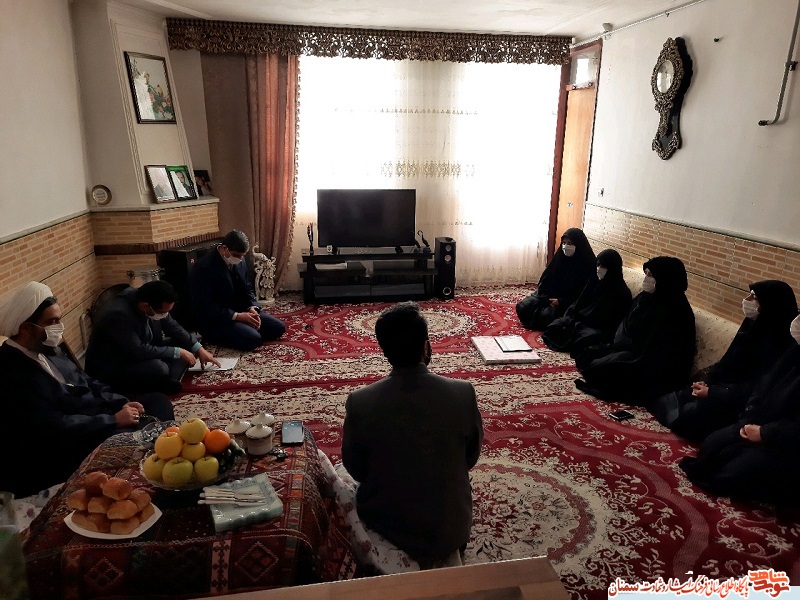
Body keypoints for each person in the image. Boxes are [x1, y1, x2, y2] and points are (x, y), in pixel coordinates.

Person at [341, 302, 484, 567]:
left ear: (385, 352)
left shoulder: (361, 402)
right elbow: (470, 458)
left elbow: (356, 469)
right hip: (450, 531)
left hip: (388, 529)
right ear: (426, 347)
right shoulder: (463, 393)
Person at [0, 282, 174, 497]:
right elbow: (53, 425)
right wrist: (113, 420)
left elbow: (88, 382)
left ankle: (161, 458)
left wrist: (121, 402)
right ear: (25, 328)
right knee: (135, 438)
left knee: (158, 402)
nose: (59, 327)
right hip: (69, 440)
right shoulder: (11, 371)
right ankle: (155, 480)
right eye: (52, 322)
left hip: (95, 414)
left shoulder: (46, 349)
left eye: (59, 319)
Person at [648, 280, 798, 441]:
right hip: (722, 390)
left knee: (689, 417)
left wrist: (713, 393)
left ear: (770, 304)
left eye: (754, 298)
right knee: (668, 400)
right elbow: (728, 363)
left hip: (740, 404)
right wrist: (708, 383)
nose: (746, 300)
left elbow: (758, 389)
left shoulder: (782, 345)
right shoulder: (753, 327)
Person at [679, 315, 800, 505]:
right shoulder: (793, 352)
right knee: (712, 446)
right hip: (757, 421)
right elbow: (761, 389)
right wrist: (750, 419)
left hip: (788, 445)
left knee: (734, 472)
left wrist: (764, 433)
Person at [574, 256, 696, 405]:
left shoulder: (676, 310)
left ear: (665, 279)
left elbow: (660, 351)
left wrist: (626, 351)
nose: (647, 279)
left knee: (602, 371)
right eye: (646, 274)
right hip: (631, 349)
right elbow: (628, 322)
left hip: (652, 363)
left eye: (651, 275)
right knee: (587, 356)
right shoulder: (646, 298)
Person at [85, 280, 219, 394]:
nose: (165, 315)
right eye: (163, 312)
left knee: (186, 347)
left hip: (140, 350)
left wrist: (198, 348)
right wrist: (176, 352)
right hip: (115, 366)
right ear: (146, 306)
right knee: (159, 367)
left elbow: (173, 327)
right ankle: (161, 381)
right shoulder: (118, 315)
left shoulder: (148, 300)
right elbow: (137, 350)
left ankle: (165, 379)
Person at [189, 230, 286, 351]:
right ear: (225, 249)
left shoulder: (240, 260)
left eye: (242, 256)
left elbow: (247, 288)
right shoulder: (203, 267)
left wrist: (253, 308)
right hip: (218, 320)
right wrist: (238, 317)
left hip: (240, 309)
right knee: (253, 339)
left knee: (278, 328)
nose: (240, 259)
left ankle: (244, 329)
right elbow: (207, 306)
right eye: (237, 255)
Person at [541, 249, 632, 353]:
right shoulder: (594, 282)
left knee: (584, 338)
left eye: (603, 267)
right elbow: (579, 303)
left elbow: (610, 321)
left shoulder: (621, 292)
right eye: (598, 265)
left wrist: (581, 321)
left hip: (598, 328)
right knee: (554, 327)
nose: (599, 269)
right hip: (581, 321)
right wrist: (571, 317)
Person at [516, 228, 596, 331]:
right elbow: (545, 281)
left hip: (568, 304)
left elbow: (585, 295)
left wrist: (561, 302)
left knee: (551, 318)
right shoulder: (560, 258)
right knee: (524, 307)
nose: (566, 246)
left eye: (570, 243)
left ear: (579, 244)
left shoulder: (588, 265)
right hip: (550, 299)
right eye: (564, 243)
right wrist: (546, 298)